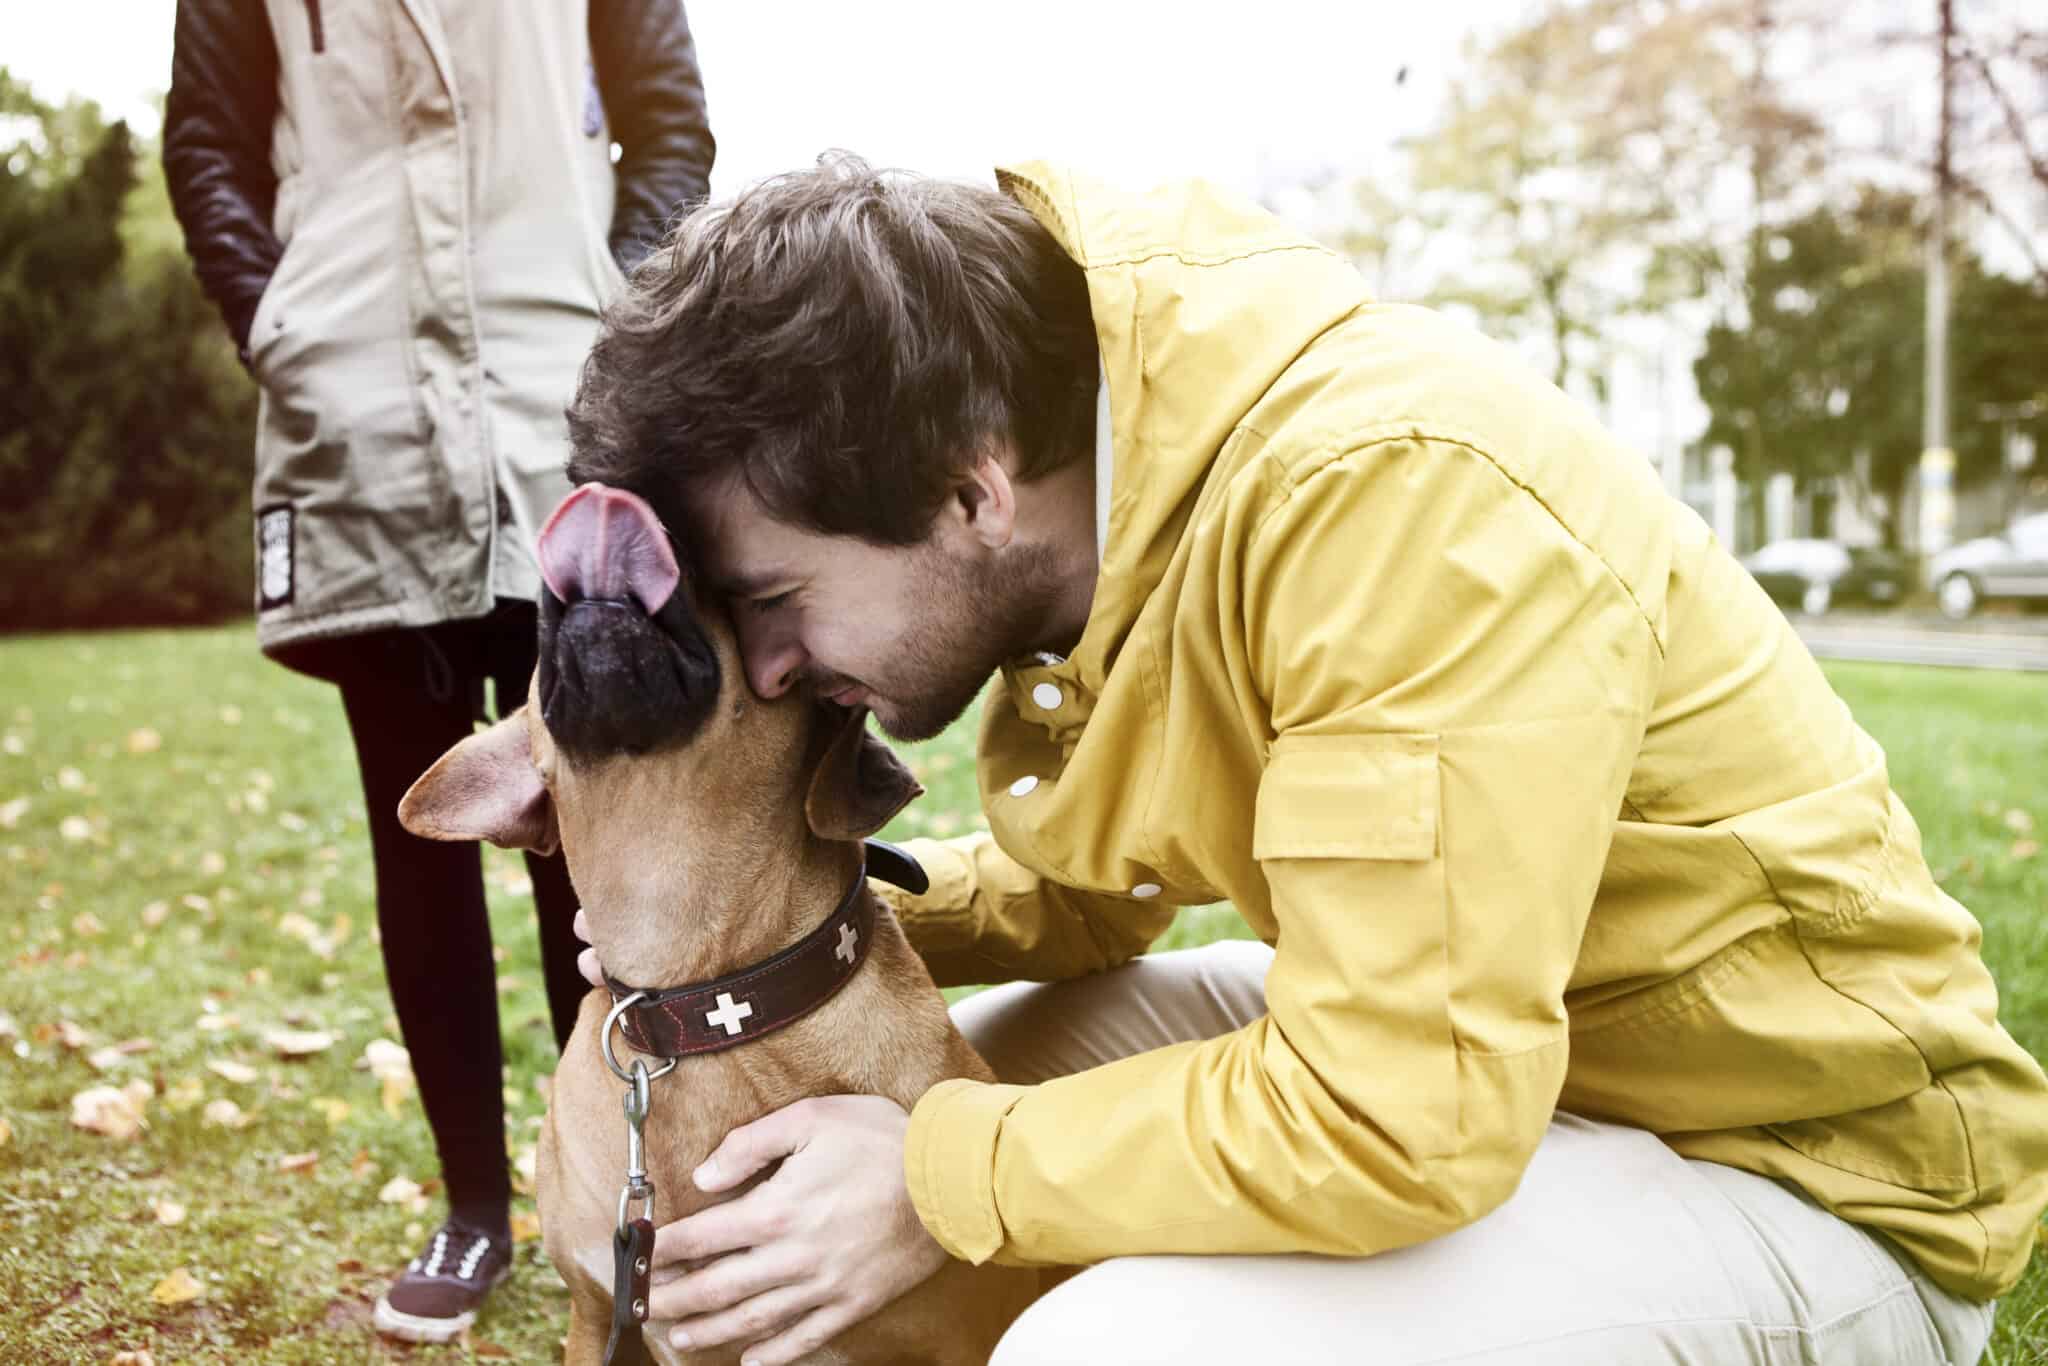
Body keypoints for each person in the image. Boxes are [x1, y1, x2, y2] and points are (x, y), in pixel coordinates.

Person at [563, 155, 2048, 1365]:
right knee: (917, 1094)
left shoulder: (1396, 506)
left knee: (1099, 1340)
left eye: (775, 599)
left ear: (970, 488)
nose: (764, 672)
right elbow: (1092, 890)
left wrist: (940, 1181)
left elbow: (1398, 1111)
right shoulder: (1131, 500)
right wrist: (745, 928)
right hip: (1507, 1045)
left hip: (1795, 1171)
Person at [162, 0, 713, 1343]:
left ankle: (622, 1187)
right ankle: (475, 1207)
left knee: (581, 833)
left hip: (556, 396)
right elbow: (208, 147)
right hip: (359, 413)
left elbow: (671, 128)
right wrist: (278, 320)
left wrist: (615, 303)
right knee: (416, 829)